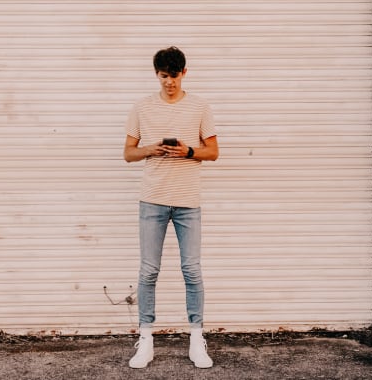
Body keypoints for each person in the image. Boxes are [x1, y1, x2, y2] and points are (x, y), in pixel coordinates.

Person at [123, 46, 219, 369]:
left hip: (188, 201)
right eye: (163, 76)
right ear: (156, 75)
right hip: (152, 198)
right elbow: (128, 153)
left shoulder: (200, 107)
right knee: (148, 270)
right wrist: (152, 149)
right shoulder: (141, 107)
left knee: (192, 270)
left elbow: (213, 151)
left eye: (174, 76)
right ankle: (146, 339)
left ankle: (196, 339)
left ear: (184, 73)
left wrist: (188, 151)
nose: (169, 83)